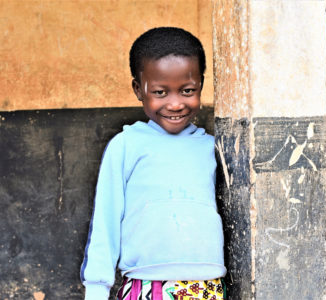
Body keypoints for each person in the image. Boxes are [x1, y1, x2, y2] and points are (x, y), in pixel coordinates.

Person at [80, 27, 226, 300]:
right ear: (138, 89)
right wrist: (97, 289)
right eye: (160, 92)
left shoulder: (212, 148)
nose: (174, 103)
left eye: (187, 90)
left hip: (208, 287)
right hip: (146, 284)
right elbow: (106, 221)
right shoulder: (126, 145)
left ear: (201, 87)